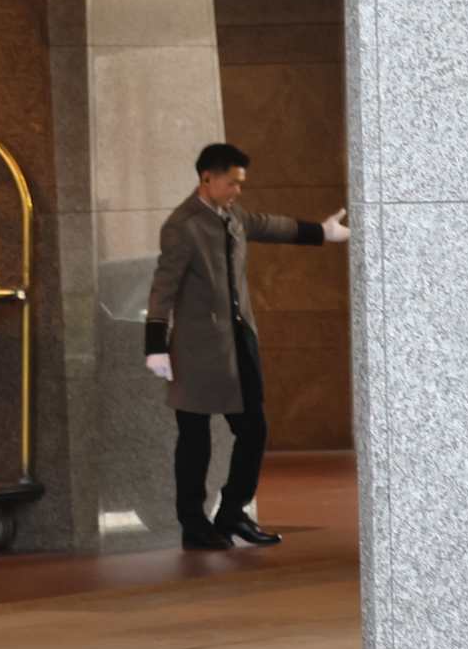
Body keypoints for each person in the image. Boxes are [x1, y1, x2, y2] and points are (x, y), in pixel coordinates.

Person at [145, 142, 346, 551]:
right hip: (196, 351)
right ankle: (193, 523)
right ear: (207, 178)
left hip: (239, 343)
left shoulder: (232, 216)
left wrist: (322, 232)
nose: (238, 191)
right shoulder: (182, 226)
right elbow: (163, 288)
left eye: (241, 183)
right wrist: (155, 345)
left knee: (254, 429)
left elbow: (270, 225)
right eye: (232, 183)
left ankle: (233, 512)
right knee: (195, 439)